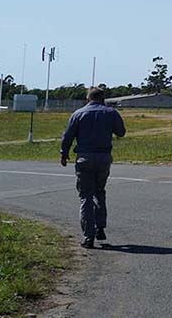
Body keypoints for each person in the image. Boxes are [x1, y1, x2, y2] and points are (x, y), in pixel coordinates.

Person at [61, 87, 127, 248]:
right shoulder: (111, 113)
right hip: (104, 157)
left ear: (88, 98)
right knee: (100, 191)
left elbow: (68, 136)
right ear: (102, 98)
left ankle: (88, 236)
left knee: (86, 196)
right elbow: (121, 132)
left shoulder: (78, 114)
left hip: (84, 158)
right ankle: (100, 227)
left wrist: (64, 153)